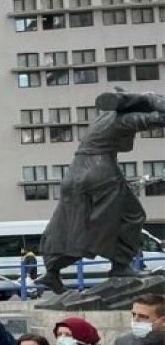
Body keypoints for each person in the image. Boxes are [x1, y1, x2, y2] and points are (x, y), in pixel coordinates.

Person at [36, 91, 165, 293]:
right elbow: (160, 117)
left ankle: (52, 271)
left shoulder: (101, 119)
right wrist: (149, 99)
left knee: (69, 224)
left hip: (74, 173)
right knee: (132, 216)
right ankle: (121, 266)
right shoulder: (124, 119)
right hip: (100, 173)